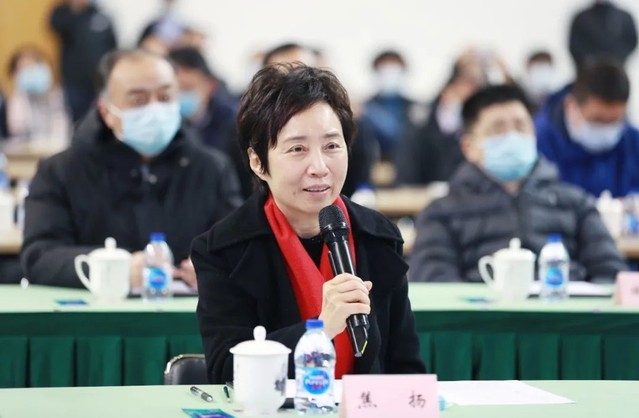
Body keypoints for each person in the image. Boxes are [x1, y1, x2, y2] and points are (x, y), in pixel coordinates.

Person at [192, 63, 426, 384]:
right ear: (257, 162)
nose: (319, 167)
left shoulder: (379, 236)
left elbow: (405, 366)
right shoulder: (221, 249)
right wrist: (320, 329)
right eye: (298, 149)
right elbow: (226, 369)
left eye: (332, 146)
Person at [21, 49, 243, 289]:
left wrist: (215, 269)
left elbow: (240, 248)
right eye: (138, 100)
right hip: (97, 308)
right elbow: (39, 256)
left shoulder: (212, 169)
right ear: (106, 111)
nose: (155, 110)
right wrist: (111, 269)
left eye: (165, 97)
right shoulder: (60, 172)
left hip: (188, 309)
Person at [409, 84, 625, 283]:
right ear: (469, 147)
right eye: (498, 129)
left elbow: (612, 273)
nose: (512, 136)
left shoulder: (575, 204)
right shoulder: (442, 213)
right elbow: (434, 282)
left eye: (520, 127)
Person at [395, 48, 513, 186]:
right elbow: (407, 172)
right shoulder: (422, 122)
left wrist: (506, 74)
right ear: (449, 88)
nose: (467, 92)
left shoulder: (487, 123)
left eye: (474, 86)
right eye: (463, 84)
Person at [535, 57, 639, 197]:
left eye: (614, 121)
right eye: (597, 120)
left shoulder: (632, 140)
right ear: (571, 105)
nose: (606, 129)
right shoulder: (538, 142)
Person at [50, 0, 117, 123]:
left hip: (102, 80)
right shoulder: (62, 14)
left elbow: (113, 46)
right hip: (75, 83)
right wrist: (76, 9)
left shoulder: (101, 14)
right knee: (79, 121)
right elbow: (56, 27)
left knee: (105, 119)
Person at [361, 50, 422, 161]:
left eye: (394, 70)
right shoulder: (365, 109)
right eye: (385, 70)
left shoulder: (417, 108)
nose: (390, 76)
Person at [6, 45, 71, 145]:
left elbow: (62, 127)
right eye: (23, 69)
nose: (29, 73)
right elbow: (17, 129)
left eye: (32, 68)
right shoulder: (17, 100)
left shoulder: (58, 96)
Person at [569, 0, 637, 70]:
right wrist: (591, 58)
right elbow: (575, 44)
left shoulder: (624, 17)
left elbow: (631, 41)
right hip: (588, 69)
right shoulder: (581, 18)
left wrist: (615, 57)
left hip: (617, 68)